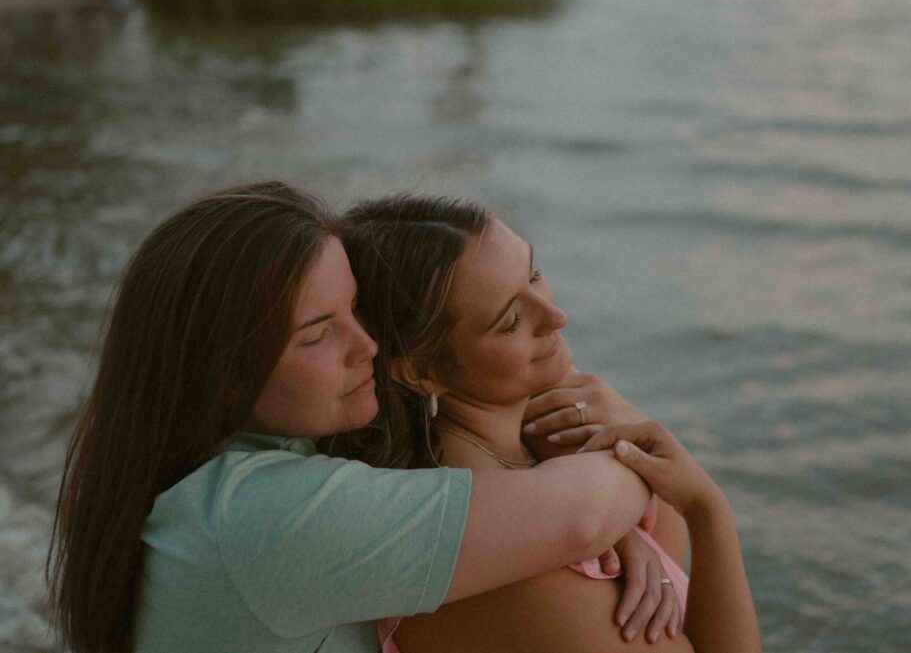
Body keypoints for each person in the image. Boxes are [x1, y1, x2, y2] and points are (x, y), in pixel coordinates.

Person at [45, 181, 678, 653]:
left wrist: (593, 518)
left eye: (356, 310)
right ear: (228, 375)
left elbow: (566, 517)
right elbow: (580, 517)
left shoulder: (241, 480)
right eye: (319, 334)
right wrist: (620, 469)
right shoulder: (262, 518)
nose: (368, 346)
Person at [332, 194, 761, 652]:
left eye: (533, 274)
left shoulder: (548, 457)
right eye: (511, 321)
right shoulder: (516, 568)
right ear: (422, 370)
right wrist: (709, 511)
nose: (556, 316)